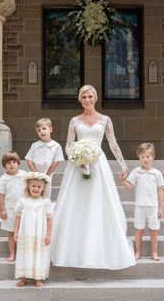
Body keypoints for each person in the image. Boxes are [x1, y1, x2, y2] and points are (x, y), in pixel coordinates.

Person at [51, 84, 136, 270]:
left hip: (98, 165)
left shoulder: (105, 119)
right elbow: (67, 146)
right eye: (84, 97)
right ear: (79, 100)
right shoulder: (74, 121)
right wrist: (77, 158)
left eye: (90, 96)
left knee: (99, 202)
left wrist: (123, 166)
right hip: (78, 166)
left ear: (95, 98)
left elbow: (113, 144)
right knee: (76, 203)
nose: (87, 100)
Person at [121, 143, 164, 261]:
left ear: (153, 157)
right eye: (142, 157)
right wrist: (123, 181)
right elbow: (129, 187)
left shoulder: (157, 173)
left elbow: (160, 192)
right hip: (140, 206)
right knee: (139, 230)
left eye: (147, 156)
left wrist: (161, 208)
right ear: (139, 158)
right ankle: (138, 251)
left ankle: (154, 252)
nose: (145, 159)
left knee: (154, 230)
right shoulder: (136, 172)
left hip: (153, 207)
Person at [14, 171, 53, 287]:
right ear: (28, 187)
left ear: (43, 189)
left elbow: (49, 219)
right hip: (25, 233)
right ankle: (24, 277)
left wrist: (49, 235)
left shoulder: (46, 202)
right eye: (33, 186)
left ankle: (38, 277)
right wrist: (15, 231)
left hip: (40, 233)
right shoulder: (23, 201)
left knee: (39, 254)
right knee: (25, 253)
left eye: (39, 187)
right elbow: (18, 217)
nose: (36, 188)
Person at [0, 150, 26, 262]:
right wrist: (2, 210)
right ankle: (12, 253)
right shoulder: (3, 178)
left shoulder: (24, 175)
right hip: (10, 210)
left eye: (14, 161)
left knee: (23, 231)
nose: (11, 164)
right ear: (5, 165)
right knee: (11, 232)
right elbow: (0, 195)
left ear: (18, 163)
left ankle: (23, 254)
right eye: (8, 162)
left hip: (23, 209)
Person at [25, 117, 64, 199]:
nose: (41, 131)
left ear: (50, 129)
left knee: (45, 197)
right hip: (33, 175)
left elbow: (56, 162)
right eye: (38, 130)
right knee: (31, 197)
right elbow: (29, 160)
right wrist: (36, 174)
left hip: (47, 176)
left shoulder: (56, 146)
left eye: (44, 128)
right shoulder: (35, 145)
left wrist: (46, 176)